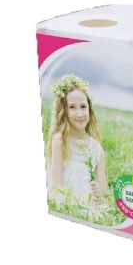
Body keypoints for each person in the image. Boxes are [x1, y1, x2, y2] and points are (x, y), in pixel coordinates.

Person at [47, 74, 107, 217]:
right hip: (66, 203)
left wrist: (98, 193)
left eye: (83, 107)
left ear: (89, 109)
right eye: (72, 107)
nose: (80, 113)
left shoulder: (97, 149)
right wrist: (76, 204)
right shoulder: (60, 141)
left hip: (91, 206)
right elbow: (56, 188)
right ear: (63, 111)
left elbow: (103, 192)